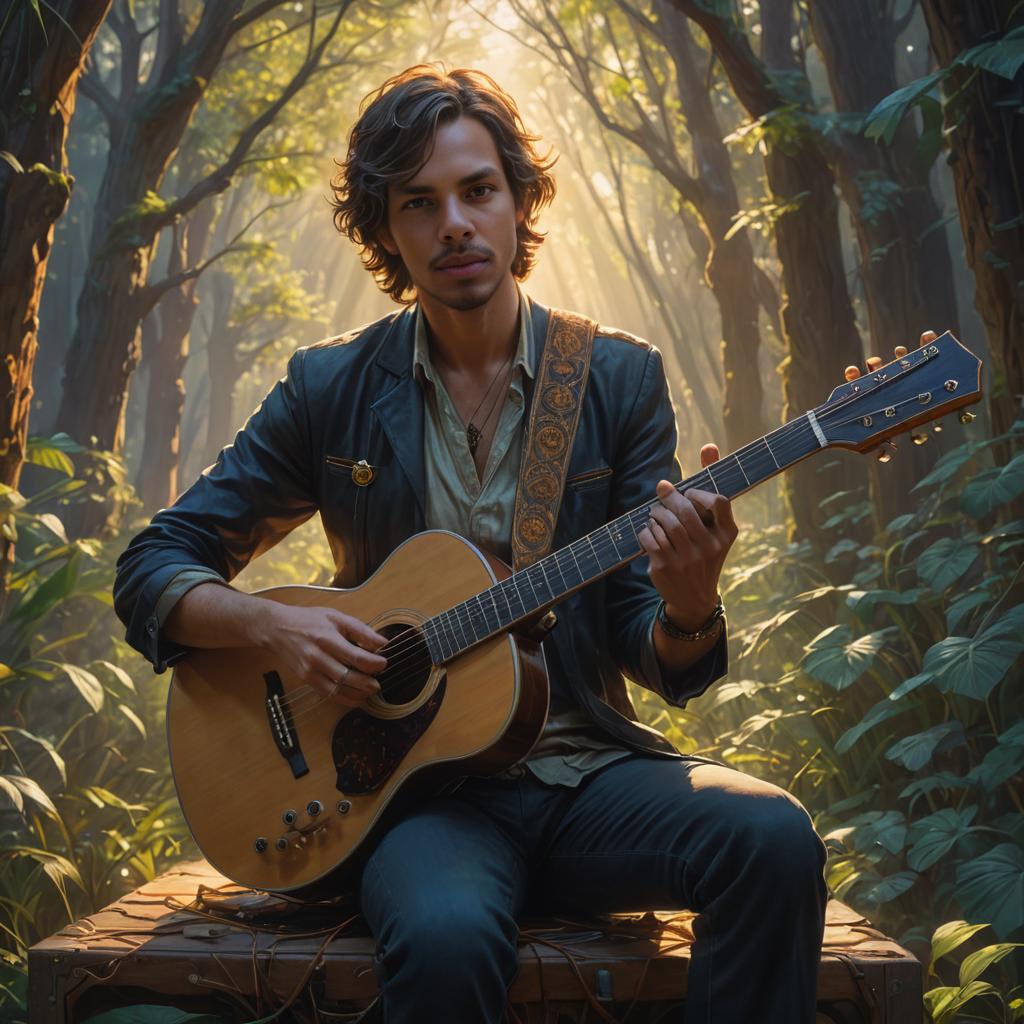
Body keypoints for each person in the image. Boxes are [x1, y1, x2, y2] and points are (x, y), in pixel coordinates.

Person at [114, 65, 829, 1023]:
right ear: (388, 230)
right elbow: (155, 562)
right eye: (420, 202)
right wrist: (272, 632)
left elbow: (650, 647)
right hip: (414, 804)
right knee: (447, 940)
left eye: (477, 191)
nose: (454, 223)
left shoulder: (614, 379)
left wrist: (691, 606)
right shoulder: (331, 391)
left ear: (517, 202)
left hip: (587, 780)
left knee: (775, 840)